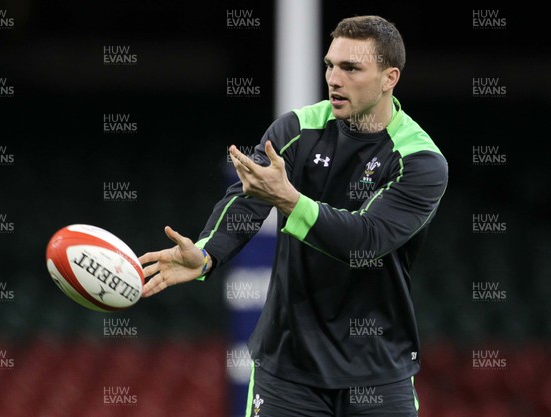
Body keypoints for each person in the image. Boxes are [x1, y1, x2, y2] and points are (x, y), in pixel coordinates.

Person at [139, 15, 448, 417]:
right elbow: (245, 200)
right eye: (329, 65)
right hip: (287, 370)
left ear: (390, 78)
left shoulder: (420, 160)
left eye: (350, 68)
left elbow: (365, 241)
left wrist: (290, 201)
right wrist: (206, 253)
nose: (334, 79)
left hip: (378, 372)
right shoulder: (297, 128)